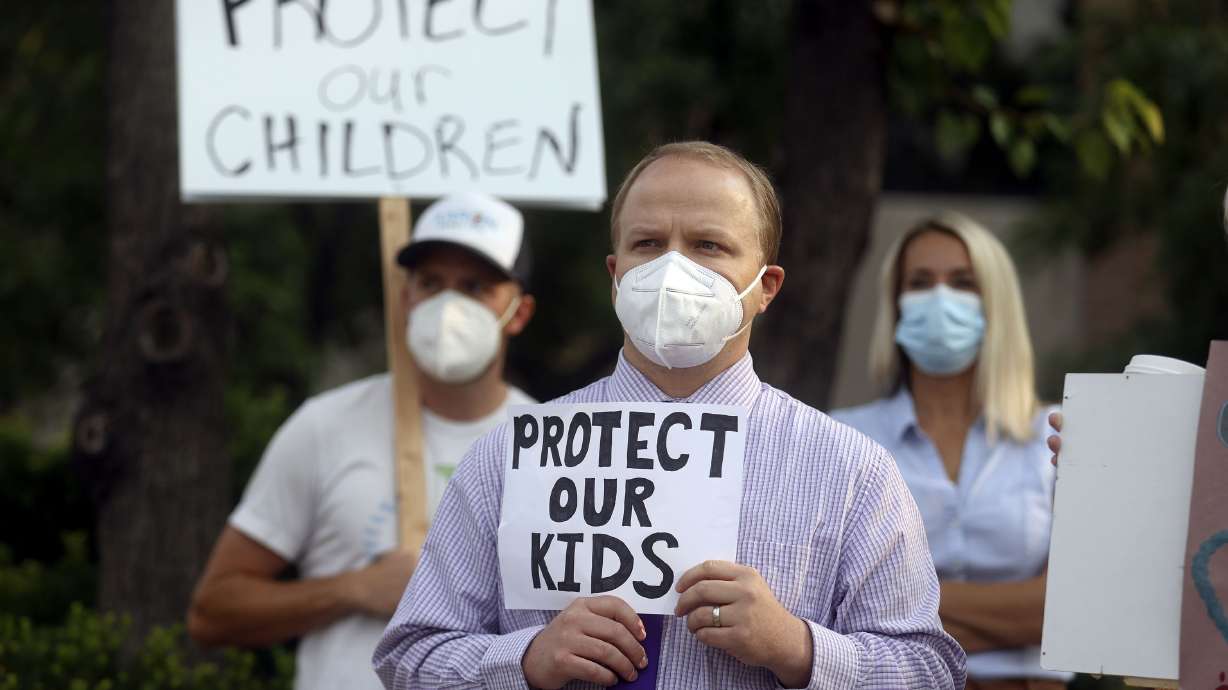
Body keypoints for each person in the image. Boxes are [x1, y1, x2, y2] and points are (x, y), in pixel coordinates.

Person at [373, 142, 966, 690]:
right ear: (615, 275)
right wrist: (524, 660)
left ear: (768, 286)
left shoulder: (850, 472)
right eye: (648, 244)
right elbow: (408, 658)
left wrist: (799, 648)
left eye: (709, 245)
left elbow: (929, 670)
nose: (672, 270)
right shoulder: (510, 455)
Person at [186, 192, 538, 690]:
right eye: (430, 283)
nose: (448, 305)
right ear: (405, 297)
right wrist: (352, 590)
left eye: (475, 286)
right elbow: (213, 611)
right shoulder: (325, 426)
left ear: (518, 313)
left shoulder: (552, 447)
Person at [831, 212, 1070, 690]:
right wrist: (1018, 613)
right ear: (895, 305)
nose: (940, 298)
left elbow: (1071, 608)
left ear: (994, 302)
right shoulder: (843, 440)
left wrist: (895, 611)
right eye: (920, 283)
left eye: (963, 282)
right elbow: (828, 606)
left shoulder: (1059, 435)